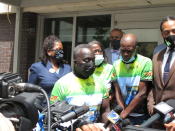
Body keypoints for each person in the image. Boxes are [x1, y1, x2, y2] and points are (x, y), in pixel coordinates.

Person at [50, 44, 110, 130]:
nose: (91, 64)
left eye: (93, 60)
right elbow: (53, 115)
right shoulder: (62, 84)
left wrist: (111, 124)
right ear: (75, 62)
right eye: (87, 60)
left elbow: (105, 110)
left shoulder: (100, 82)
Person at [113, 34, 152, 125]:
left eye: (129, 51)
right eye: (123, 51)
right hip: (121, 112)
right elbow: (117, 91)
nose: (125, 54)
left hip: (139, 115)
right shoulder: (115, 64)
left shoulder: (146, 62)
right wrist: (122, 111)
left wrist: (124, 113)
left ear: (136, 48)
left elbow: (142, 93)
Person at [147, 16, 175, 129]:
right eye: (166, 32)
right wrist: (151, 106)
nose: (171, 34)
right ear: (162, 34)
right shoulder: (156, 55)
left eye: (174, 31)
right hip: (157, 117)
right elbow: (153, 86)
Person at [88, 40, 124, 109]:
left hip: (106, 106)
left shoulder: (109, 68)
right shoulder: (85, 69)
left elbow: (116, 89)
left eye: (100, 51)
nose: (98, 53)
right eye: (95, 51)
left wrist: (111, 96)